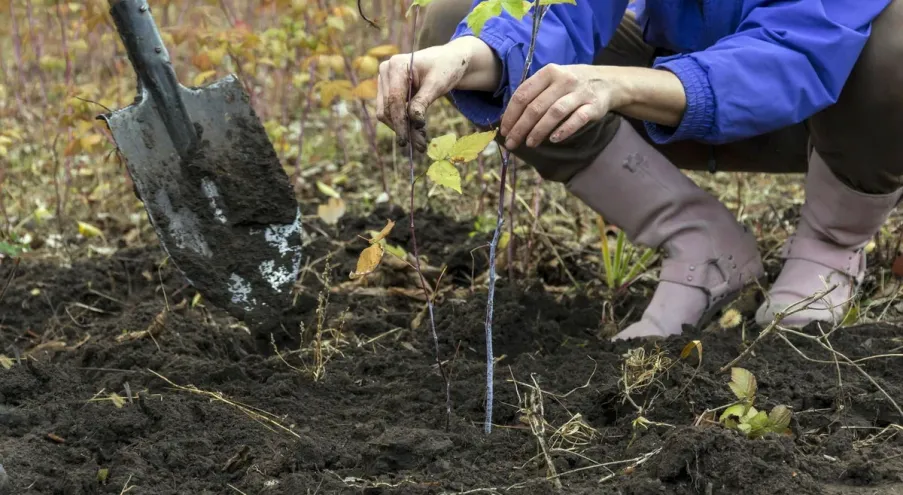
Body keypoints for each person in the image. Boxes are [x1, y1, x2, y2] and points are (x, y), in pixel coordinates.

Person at [375, 0, 903, 340]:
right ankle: (700, 241)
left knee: (896, 38)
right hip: (673, 88)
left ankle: (830, 246)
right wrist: (471, 54)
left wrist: (620, 85)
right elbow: (558, 11)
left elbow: (794, 56)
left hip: (821, 110)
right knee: (460, 21)